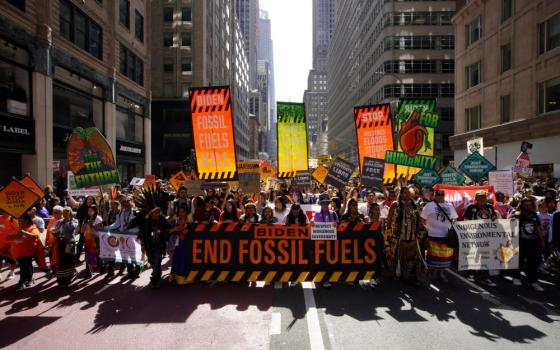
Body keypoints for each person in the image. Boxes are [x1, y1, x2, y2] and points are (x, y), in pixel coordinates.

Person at [464, 190, 500, 287]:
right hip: (474, 237)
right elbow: (466, 221)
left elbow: (495, 221)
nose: (481, 199)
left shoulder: (490, 208)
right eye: (479, 197)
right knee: (474, 256)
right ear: (476, 198)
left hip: (487, 237)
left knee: (485, 257)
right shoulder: (470, 208)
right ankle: (472, 274)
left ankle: (485, 277)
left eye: (483, 197)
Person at [421, 189, 458, 282]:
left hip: (446, 237)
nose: (440, 196)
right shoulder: (429, 205)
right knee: (432, 257)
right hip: (432, 236)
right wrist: (426, 228)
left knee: (444, 258)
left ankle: (441, 273)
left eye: (442, 194)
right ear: (434, 195)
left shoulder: (449, 205)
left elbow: (454, 218)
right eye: (438, 194)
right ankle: (431, 272)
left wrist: (452, 223)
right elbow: (422, 219)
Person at [388, 189, 422, 286]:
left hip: (412, 237)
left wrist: (419, 234)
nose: (406, 194)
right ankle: (400, 275)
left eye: (408, 193)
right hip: (399, 237)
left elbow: (419, 221)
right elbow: (389, 219)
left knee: (413, 259)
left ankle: (413, 278)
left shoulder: (414, 205)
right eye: (404, 193)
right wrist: (389, 233)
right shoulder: (395, 205)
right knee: (398, 257)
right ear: (401, 194)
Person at [511, 198, 545, 291]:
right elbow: (511, 227)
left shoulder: (534, 214)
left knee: (533, 263)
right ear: (522, 205)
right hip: (521, 242)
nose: (528, 206)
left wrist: (541, 240)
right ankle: (516, 277)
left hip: (533, 242)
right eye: (525, 204)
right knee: (519, 261)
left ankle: (533, 281)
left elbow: (538, 227)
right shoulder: (518, 214)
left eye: (529, 204)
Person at [138, 207, 171, 288]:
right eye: (155, 212)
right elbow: (141, 234)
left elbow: (168, 228)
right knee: (152, 262)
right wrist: (142, 245)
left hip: (159, 245)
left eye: (158, 212)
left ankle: (154, 279)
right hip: (149, 246)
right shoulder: (145, 221)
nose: (157, 214)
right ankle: (157, 273)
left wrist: (164, 233)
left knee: (157, 262)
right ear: (151, 213)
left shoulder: (162, 219)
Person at [50, 207, 79, 287]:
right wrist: (53, 231)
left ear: (70, 213)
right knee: (62, 261)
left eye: (67, 213)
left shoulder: (74, 221)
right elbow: (54, 229)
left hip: (70, 243)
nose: (65, 214)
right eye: (64, 213)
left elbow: (74, 229)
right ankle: (61, 279)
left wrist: (68, 221)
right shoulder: (59, 222)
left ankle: (69, 277)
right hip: (61, 243)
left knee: (69, 260)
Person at [14, 214, 42, 291]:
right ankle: (29, 279)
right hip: (19, 252)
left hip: (27, 252)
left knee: (23, 267)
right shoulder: (19, 227)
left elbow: (35, 236)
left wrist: (23, 232)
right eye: (19, 221)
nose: (19, 222)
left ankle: (22, 282)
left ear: (26, 221)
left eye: (21, 221)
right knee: (27, 266)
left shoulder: (32, 227)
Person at [170, 204, 191, 284]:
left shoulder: (189, 220)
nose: (181, 213)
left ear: (186, 212)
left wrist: (187, 229)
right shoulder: (176, 220)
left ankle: (183, 277)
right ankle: (175, 276)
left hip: (186, 243)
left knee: (183, 258)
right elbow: (172, 229)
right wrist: (174, 229)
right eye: (179, 212)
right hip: (178, 243)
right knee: (177, 257)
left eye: (183, 212)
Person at [81, 204, 103, 278]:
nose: (89, 212)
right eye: (88, 210)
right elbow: (82, 230)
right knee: (88, 256)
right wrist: (83, 226)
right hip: (88, 239)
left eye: (91, 210)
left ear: (95, 211)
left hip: (96, 239)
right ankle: (88, 271)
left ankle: (101, 268)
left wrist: (92, 226)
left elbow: (100, 229)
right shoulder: (86, 218)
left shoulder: (98, 218)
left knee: (97, 255)